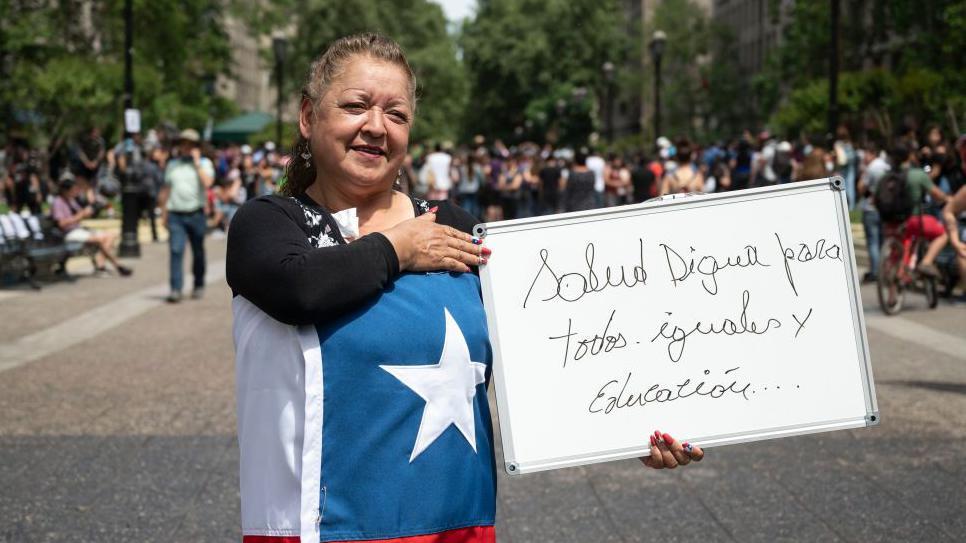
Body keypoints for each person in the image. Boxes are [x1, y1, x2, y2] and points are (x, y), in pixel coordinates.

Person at [226, 33, 705, 543]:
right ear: (307, 116)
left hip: (456, 526)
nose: (375, 127)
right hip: (321, 530)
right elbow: (298, 290)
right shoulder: (271, 223)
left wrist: (632, 422)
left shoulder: (454, 226)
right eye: (355, 106)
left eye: (396, 114)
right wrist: (399, 249)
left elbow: (545, 350)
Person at [158, 128, 213, 303]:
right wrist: (163, 212)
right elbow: (166, 189)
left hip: (196, 214)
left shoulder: (204, 163)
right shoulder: (172, 164)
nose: (186, 148)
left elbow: (208, 183)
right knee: (176, 250)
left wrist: (197, 163)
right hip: (176, 215)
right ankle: (175, 289)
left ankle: (198, 284)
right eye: (184, 144)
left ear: (197, 147)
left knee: (198, 252)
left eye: (191, 145)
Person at [50, 174, 132, 276]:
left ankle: (100, 264)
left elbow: (81, 214)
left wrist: (90, 210)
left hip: (78, 229)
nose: (75, 192)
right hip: (68, 233)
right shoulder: (58, 202)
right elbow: (61, 223)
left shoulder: (71, 200)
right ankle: (116, 266)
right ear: (65, 190)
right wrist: (80, 216)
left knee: (110, 236)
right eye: (73, 190)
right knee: (100, 239)